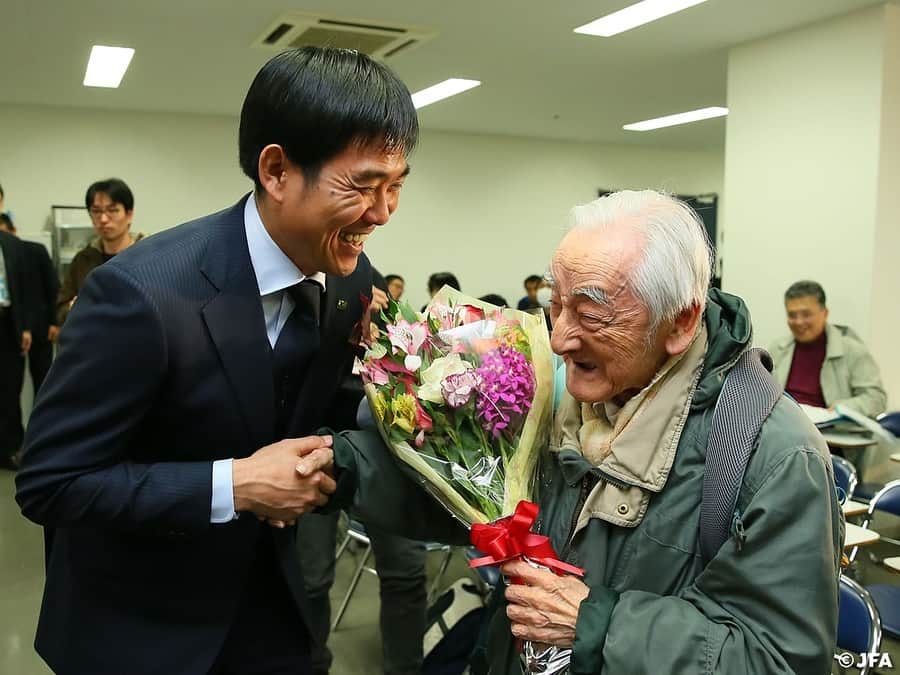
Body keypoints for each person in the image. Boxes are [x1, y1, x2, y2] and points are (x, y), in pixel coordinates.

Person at [15, 46, 417, 675]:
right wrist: (235, 484)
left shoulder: (351, 279)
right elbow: (52, 483)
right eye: (362, 186)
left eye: (395, 187)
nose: (383, 212)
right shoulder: (141, 293)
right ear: (278, 171)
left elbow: (312, 398)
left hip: (272, 610)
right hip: (141, 628)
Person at [331, 190, 843, 674]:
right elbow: (484, 505)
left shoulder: (773, 457)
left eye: (591, 314)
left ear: (680, 323)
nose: (557, 339)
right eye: (556, 305)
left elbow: (781, 658)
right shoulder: (556, 393)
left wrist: (595, 625)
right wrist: (341, 469)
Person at [769, 280, 886, 418]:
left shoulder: (852, 351)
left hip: (832, 434)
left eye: (806, 314)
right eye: (792, 316)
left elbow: (876, 399)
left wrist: (842, 408)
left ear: (825, 313)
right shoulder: (777, 349)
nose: (799, 322)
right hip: (785, 426)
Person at [56, 178, 143, 325]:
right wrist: (72, 308)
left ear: (129, 214)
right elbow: (60, 310)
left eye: (112, 210)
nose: (103, 219)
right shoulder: (83, 259)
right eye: (96, 211)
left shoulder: (148, 255)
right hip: (93, 342)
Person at [0, 214, 60, 392]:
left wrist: (54, 321)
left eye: (5, 233)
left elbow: (53, 287)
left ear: (14, 231)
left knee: (44, 381)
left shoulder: (36, 250)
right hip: (13, 330)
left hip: (42, 326)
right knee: (10, 385)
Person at [0, 224, 31, 470]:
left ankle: (11, 449)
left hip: (8, 324)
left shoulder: (11, 244)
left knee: (10, 388)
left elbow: (23, 289)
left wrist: (26, 328)